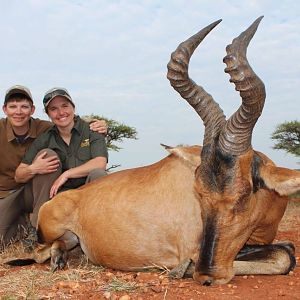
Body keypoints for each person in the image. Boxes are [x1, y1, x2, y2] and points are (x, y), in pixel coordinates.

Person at [0, 85, 107, 249]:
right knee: (47, 155)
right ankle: (37, 229)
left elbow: (100, 162)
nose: (61, 113)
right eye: (54, 109)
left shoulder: (91, 129)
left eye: (65, 106)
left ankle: (101, 233)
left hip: (84, 193)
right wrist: (34, 168)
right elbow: (19, 174)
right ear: (48, 114)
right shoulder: (47, 135)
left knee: (99, 175)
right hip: (37, 194)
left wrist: (67, 174)